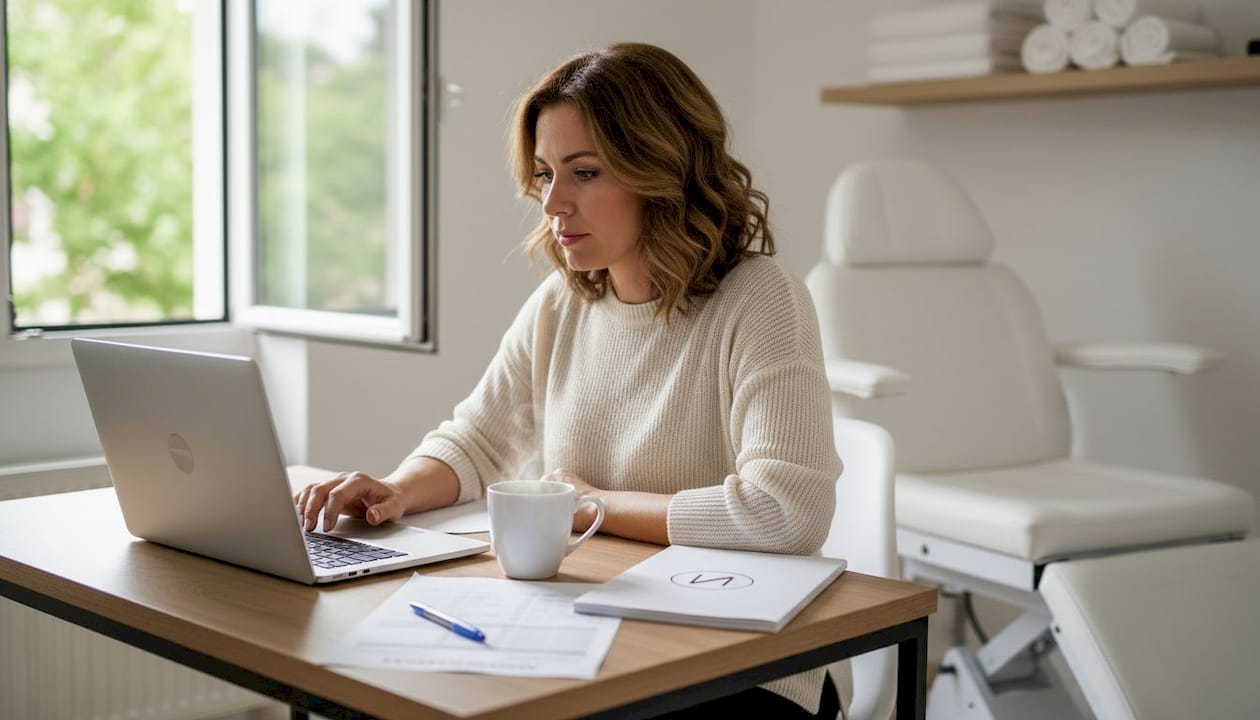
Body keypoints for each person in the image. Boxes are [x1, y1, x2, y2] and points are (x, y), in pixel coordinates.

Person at [294, 42, 843, 718]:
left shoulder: (760, 300)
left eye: (584, 172)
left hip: (737, 667)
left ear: (661, 168)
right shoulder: (564, 302)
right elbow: (478, 440)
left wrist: (594, 507)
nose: (554, 203)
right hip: (597, 629)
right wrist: (396, 491)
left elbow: (788, 513)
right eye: (546, 173)